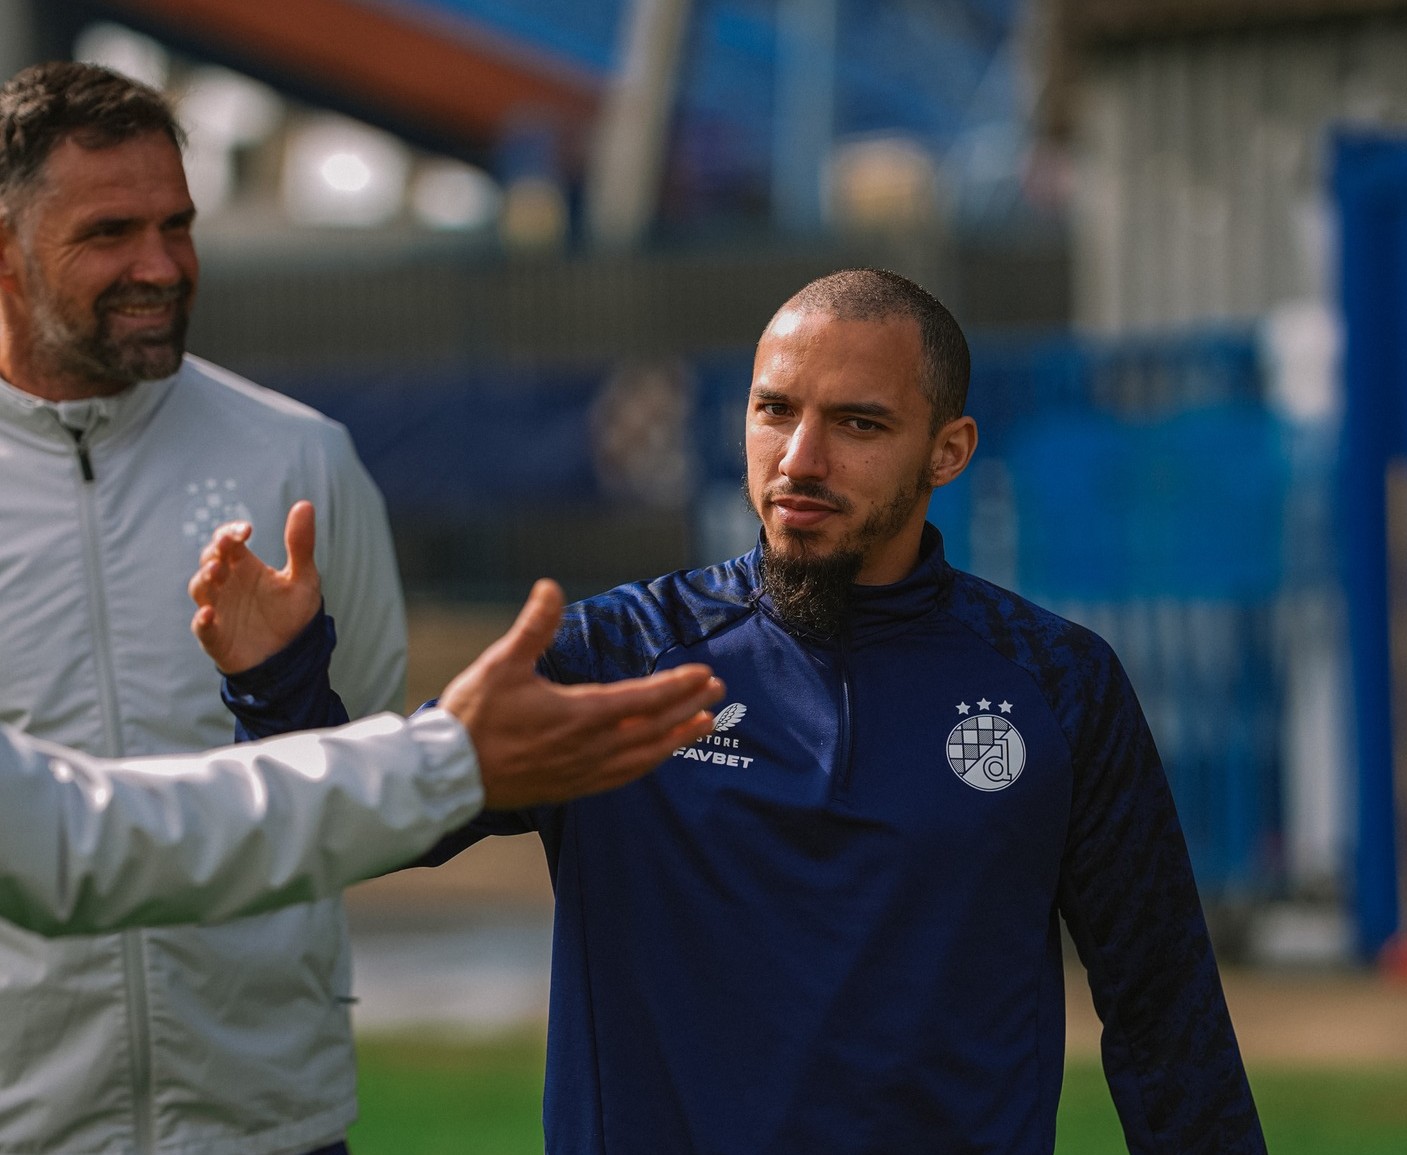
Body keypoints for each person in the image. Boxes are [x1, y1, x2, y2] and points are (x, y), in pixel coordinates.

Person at [209, 269, 1268, 1154]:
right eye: (775, 410)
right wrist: (277, 681)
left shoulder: (1058, 683)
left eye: (858, 423)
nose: (800, 460)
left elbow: (1163, 1017)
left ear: (947, 451)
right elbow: (363, 824)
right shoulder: (610, 658)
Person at [0, 61, 408, 1155]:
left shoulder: (300, 461)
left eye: (176, 225)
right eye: (110, 232)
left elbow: (374, 782)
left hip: (266, 1121)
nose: (161, 266)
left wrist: (282, 691)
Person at [0, 577, 722, 937]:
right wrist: (445, 754)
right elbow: (90, 840)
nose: (783, 455)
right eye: (769, 408)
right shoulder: (622, 645)